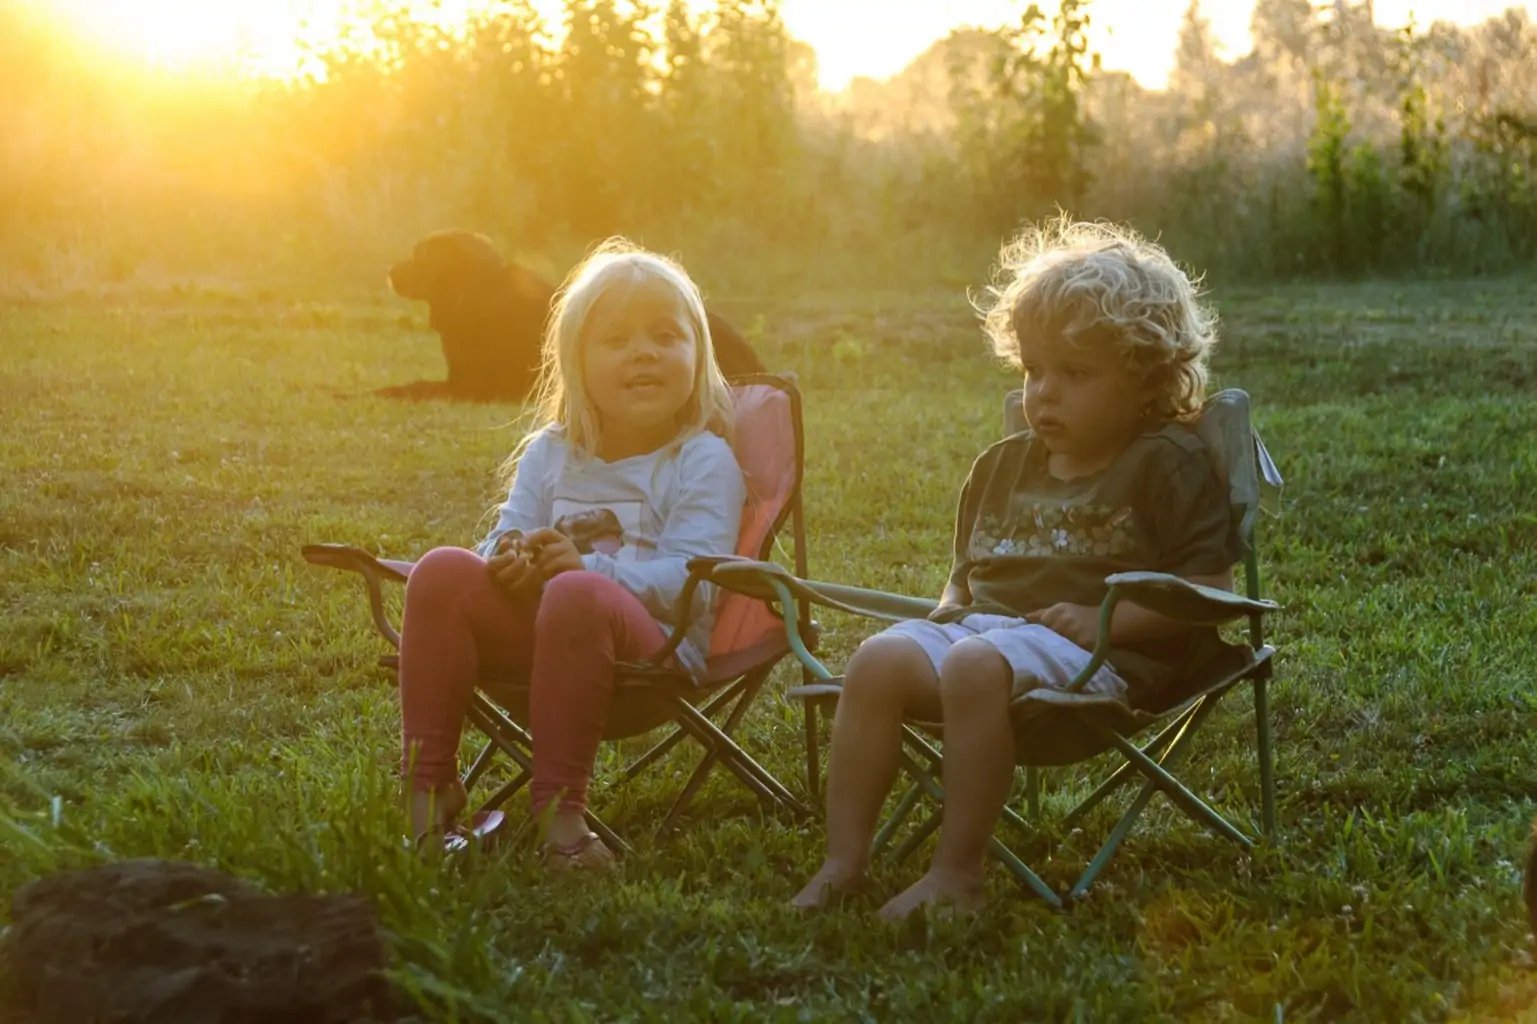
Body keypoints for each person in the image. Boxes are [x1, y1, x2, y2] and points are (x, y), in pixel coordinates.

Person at [793, 217, 1240, 919]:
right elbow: (965, 580)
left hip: (1101, 655)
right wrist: (946, 606)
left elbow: (1208, 594)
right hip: (987, 632)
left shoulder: (1165, 465)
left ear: (1146, 376)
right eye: (1032, 371)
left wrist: (1106, 619)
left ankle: (957, 874)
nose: (1043, 393)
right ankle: (843, 863)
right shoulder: (999, 467)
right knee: (877, 659)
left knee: (973, 664)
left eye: (1074, 374)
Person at [396, 237, 746, 870]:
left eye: (666, 336)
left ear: (698, 353)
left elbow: (693, 580)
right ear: (577, 362)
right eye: (616, 340)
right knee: (444, 570)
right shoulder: (552, 452)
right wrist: (507, 558)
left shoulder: (701, 459)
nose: (643, 351)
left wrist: (588, 570)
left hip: (655, 653)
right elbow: (504, 534)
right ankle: (428, 792)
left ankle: (561, 817)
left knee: (576, 592)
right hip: (542, 638)